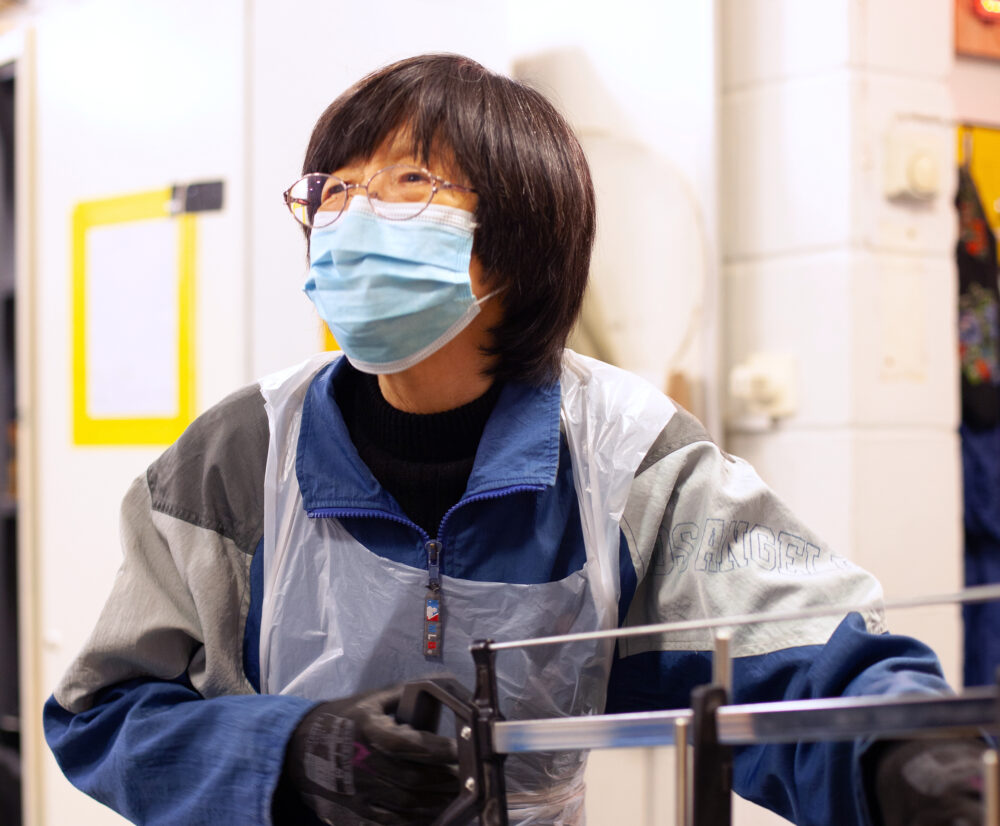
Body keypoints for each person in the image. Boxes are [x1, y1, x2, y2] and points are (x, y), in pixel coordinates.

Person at [44, 53, 984, 826]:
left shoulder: (628, 456)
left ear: (521, 236)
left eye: (409, 183)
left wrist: (905, 758)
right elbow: (104, 713)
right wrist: (296, 753)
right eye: (335, 190)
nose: (354, 217)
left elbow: (806, 658)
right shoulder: (237, 455)